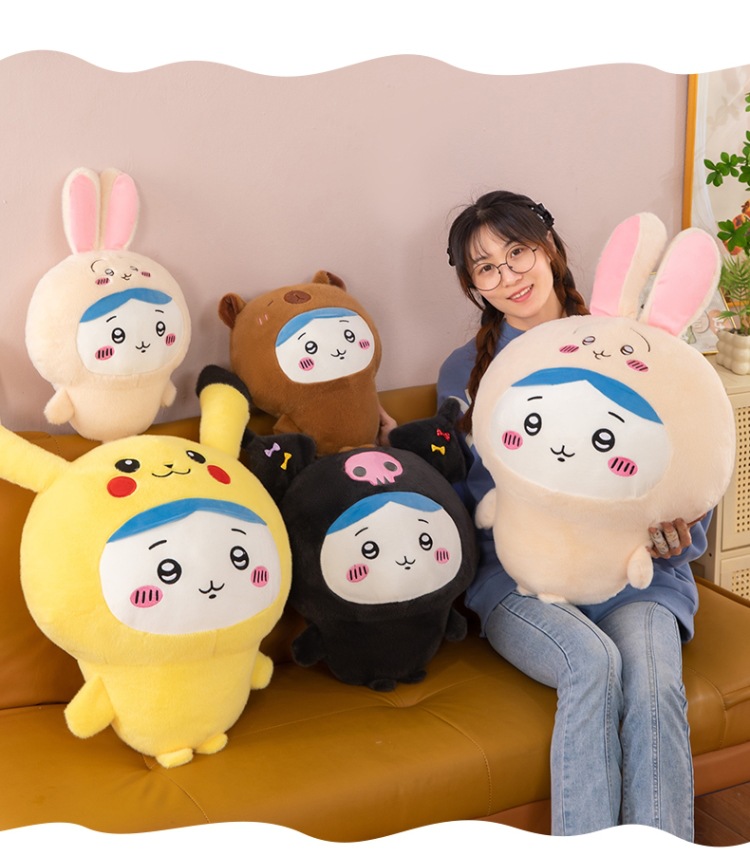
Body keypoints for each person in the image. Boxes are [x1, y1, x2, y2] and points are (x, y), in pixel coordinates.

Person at [437, 189, 710, 841]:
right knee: (592, 663)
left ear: (550, 248)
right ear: (473, 286)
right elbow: (465, 493)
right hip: (521, 580)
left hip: (633, 574)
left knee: (654, 683)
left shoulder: (629, 346)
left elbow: (684, 458)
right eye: (486, 268)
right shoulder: (463, 372)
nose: (509, 275)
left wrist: (678, 532)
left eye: (518, 251)